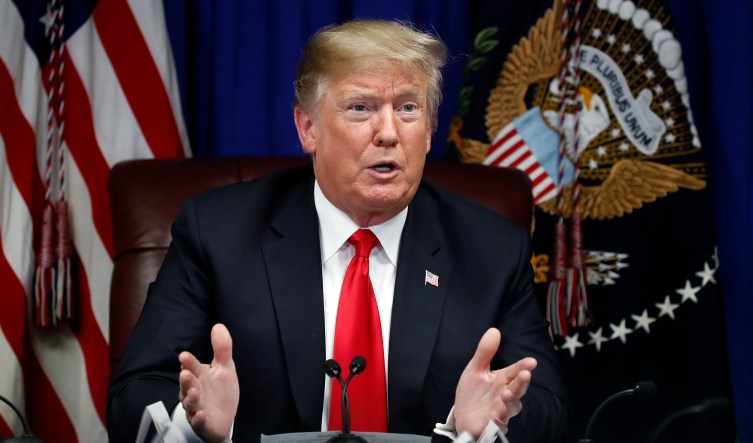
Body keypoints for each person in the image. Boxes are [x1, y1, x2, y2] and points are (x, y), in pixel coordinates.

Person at [107, 19, 567, 443]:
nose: (388, 133)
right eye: (361, 108)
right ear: (308, 128)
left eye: (408, 108)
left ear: (429, 132)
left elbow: (548, 406)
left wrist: (485, 428)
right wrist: (194, 426)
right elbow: (135, 393)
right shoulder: (218, 233)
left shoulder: (491, 250)